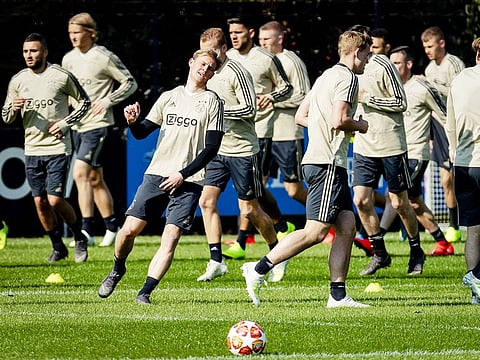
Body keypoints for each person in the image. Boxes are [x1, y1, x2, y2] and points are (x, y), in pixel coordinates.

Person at [241, 29, 370, 307]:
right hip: (326, 164)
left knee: (347, 225)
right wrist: (360, 125)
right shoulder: (348, 78)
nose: (368, 61)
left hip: (322, 160)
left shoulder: (326, 76)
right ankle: (259, 268)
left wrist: (326, 127)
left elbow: (301, 116)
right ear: (357, 51)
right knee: (316, 231)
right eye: (367, 55)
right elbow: (339, 120)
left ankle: (338, 295)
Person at [98, 49, 224, 304]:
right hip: (157, 174)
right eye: (202, 64)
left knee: (171, 237)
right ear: (191, 63)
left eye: (210, 67)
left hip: (189, 180)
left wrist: (183, 173)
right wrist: (133, 122)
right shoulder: (170, 97)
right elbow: (142, 132)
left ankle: (145, 292)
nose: (205, 70)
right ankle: (117, 267)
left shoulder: (213, 102)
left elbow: (212, 147)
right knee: (128, 231)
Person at [196, 28, 282, 282]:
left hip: (243, 149)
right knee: (206, 202)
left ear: (223, 50)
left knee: (249, 210)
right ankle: (216, 260)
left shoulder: (237, 72)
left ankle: (277, 254)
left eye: (211, 52)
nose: (206, 58)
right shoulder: (204, 72)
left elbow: (249, 109)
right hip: (217, 150)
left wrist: (217, 113)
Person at [1, 33, 91, 262]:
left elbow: (85, 103)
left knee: (54, 199)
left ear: (45, 52)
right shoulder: (18, 80)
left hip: (58, 147)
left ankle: (79, 237)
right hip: (32, 149)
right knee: (40, 202)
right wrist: (13, 107)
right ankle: (58, 247)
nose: (29, 55)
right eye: (25, 51)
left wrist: (64, 123)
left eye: (33, 51)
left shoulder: (60, 76)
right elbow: (6, 117)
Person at [350, 25, 425, 276]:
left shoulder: (382, 65)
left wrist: (369, 100)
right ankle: (380, 254)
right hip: (363, 146)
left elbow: (400, 102)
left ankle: (416, 251)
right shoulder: (348, 70)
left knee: (399, 202)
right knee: (360, 200)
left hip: (391, 145)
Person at [62, 12, 138, 247]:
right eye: (70, 33)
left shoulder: (104, 57)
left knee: (81, 174)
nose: (73, 37)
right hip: (78, 126)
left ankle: (86, 230)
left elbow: (130, 82)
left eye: (77, 32)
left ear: (90, 32)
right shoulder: (67, 59)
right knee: (95, 179)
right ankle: (112, 225)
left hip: (98, 125)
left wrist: (107, 101)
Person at [223, 16, 295, 262]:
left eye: (239, 32)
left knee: (252, 191)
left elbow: (287, 88)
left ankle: (242, 241)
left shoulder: (266, 59)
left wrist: (272, 96)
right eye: (231, 32)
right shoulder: (225, 58)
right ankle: (282, 225)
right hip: (231, 133)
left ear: (250, 33)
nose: (233, 36)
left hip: (259, 131)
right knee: (256, 190)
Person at [380, 45, 453, 256]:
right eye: (391, 63)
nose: (393, 67)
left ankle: (375, 240)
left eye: (397, 63)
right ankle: (442, 242)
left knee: (395, 193)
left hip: (416, 154)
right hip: (397, 152)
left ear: (409, 64)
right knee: (414, 202)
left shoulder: (421, 87)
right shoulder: (389, 88)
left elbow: (445, 116)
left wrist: (451, 145)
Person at [258, 20, 309, 206]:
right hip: (262, 132)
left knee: (293, 190)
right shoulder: (260, 61)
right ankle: (246, 235)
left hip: (286, 134)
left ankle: (328, 223)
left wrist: (273, 99)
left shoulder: (292, 61)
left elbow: (304, 97)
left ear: (280, 38)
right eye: (260, 39)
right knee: (255, 187)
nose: (262, 43)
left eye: (267, 39)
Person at [421, 26, 465, 243]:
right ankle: (453, 226)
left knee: (465, 177)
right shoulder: (430, 69)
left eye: (430, 46)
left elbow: (462, 93)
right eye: (424, 47)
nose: (427, 50)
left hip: (458, 127)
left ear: (441, 43)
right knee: (445, 180)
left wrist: (433, 86)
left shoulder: (454, 64)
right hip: (439, 128)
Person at [447, 38, 480, 305]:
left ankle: (475, 290)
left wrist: (455, 153)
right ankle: (477, 275)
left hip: (463, 162)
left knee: (474, 229)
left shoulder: (459, 80)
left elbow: (451, 124)